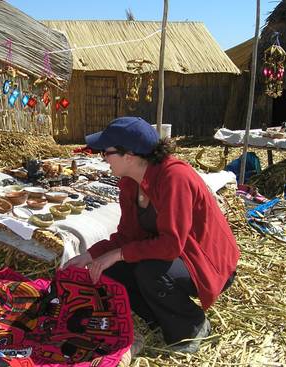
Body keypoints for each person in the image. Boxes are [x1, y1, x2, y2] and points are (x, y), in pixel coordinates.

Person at [63, 117, 239, 353]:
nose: (103, 158)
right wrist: (91, 255)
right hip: (176, 254)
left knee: (149, 271)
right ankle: (159, 318)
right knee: (110, 268)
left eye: (107, 152)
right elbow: (127, 235)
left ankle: (192, 327)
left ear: (130, 155)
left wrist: (120, 253)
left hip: (206, 261)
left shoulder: (175, 178)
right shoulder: (129, 183)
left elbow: (171, 245)